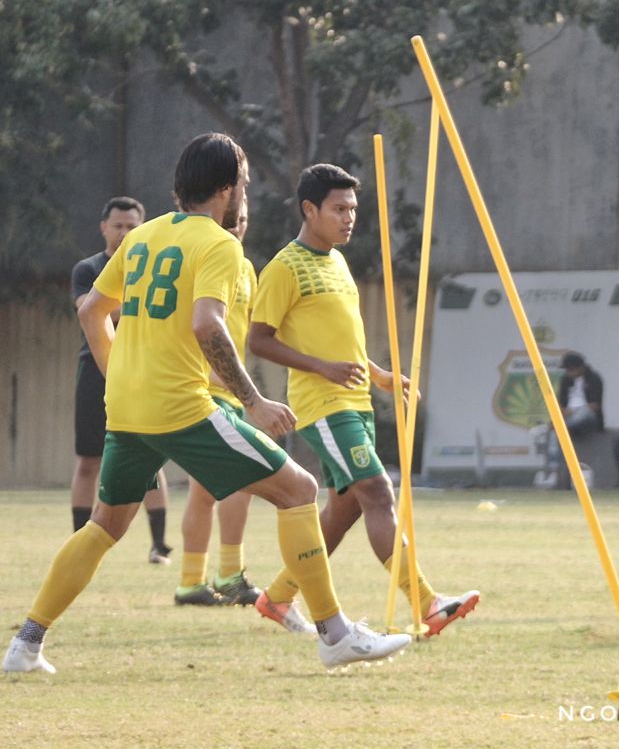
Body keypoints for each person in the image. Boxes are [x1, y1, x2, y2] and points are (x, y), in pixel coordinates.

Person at [4, 133, 410, 673]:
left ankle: (25, 644)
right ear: (225, 189)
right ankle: (335, 634)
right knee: (300, 490)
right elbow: (206, 324)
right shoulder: (220, 244)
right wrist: (254, 399)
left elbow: (91, 313)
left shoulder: (142, 237)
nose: (244, 193)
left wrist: (117, 377)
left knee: (103, 526)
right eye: (242, 183)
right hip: (181, 406)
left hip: (128, 408)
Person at [248, 163, 478, 638]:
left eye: (353, 208)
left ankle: (278, 596)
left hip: (356, 402)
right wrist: (321, 368)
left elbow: (339, 338)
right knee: (377, 490)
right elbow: (258, 340)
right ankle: (427, 603)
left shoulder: (337, 261)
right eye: (338, 209)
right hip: (323, 406)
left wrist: (378, 375)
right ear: (309, 210)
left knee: (344, 510)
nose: (349, 217)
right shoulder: (284, 268)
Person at [70, 196, 174, 563]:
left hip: (142, 371)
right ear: (104, 227)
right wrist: (134, 303)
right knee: (88, 461)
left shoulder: (148, 267)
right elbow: (90, 309)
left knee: (151, 460)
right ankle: (79, 541)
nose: (125, 232)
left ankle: (159, 546)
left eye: (132, 226)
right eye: (118, 225)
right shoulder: (88, 268)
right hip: (95, 371)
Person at [174, 200, 261, 607]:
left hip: (231, 392)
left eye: (242, 220)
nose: (237, 227)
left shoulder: (244, 267)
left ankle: (196, 580)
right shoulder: (203, 258)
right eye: (232, 220)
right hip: (205, 391)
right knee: (235, 482)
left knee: (208, 492)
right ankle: (224, 576)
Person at [547, 351, 605, 489]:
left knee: (582, 414)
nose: (568, 372)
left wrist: (572, 411)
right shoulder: (565, 380)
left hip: (588, 416)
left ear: (580, 367)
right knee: (553, 432)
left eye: (571, 369)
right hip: (569, 416)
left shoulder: (594, 378)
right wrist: (557, 418)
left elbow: (595, 405)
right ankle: (553, 472)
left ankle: (564, 427)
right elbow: (561, 404)